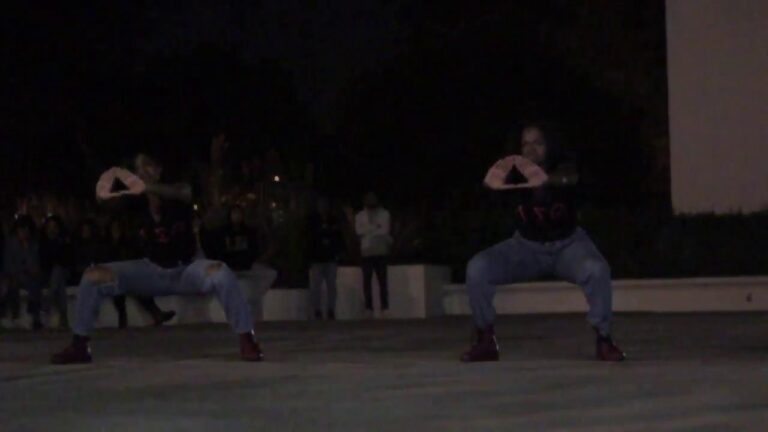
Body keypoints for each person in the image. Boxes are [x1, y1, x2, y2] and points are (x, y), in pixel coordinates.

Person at [51, 154, 263, 364]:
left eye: (148, 166)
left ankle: (247, 339)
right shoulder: (135, 202)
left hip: (186, 270)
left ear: (159, 170)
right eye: (138, 169)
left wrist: (146, 187)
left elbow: (185, 192)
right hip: (151, 270)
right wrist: (112, 179)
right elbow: (103, 199)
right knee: (93, 276)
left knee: (221, 272)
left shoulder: (176, 194)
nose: (142, 172)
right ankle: (80, 346)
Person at [460, 123, 626, 362]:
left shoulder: (562, 166)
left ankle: (604, 339)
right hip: (526, 248)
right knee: (478, 268)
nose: (531, 149)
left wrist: (546, 180)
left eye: (537, 143)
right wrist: (494, 181)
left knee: (597, 270)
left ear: (549, 145)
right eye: (525, 144)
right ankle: (485, 340)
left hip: (567, 246)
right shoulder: (513, 174)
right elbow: (490, 184)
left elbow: (573, 178)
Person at [201, 205, 277, 319]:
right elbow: (217, 249)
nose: (237, 216)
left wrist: (249, 261)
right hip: (229, 268)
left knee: (250, 295)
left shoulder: (249, 232)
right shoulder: (222, 232)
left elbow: (253, 249)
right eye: (234, 213)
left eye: (239, 213)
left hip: (246, 268)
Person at [105, 218, 176, 329]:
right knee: (118, 290)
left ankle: (156, 313)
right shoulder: (108, 244)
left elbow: (132, 258)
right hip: (115, 275)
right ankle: (124, 320)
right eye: (114, 229)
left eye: (118, 229)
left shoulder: (127, 242)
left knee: (139, 286)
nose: (116, 231)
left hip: (127, 273)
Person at [353, 192, 392, 318]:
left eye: (373, 198)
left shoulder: (385, 214)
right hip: (366, 253)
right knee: (367, 282)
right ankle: (368, 308)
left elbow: (384, 230)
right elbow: (358, 231)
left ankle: (385, 308)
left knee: (382, 281)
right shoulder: (360, 215)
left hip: (381, 251)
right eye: (368, 198)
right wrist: (375, 227)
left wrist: (368, 230)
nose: (370, 200)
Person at [2, 215, 44, 330]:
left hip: (28, 276)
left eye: (26, 230)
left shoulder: (33, 244)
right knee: (11, 285)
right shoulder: (10, 243)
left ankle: (34, 316)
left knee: (35, 284)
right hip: (13, 275)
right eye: (21, 229)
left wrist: (26, 249)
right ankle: (14, 315)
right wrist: (18, 272)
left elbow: (34, 265)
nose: (24, 233)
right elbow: (8, 264)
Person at [308, 196, 344, 320]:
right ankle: (317, 310)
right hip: (317, 258)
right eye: (320, 204)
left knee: (331, 286)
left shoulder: (333, 220)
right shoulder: (312, 220)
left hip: (331, 258)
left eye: (325, 204)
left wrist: (337, 253)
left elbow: (338, 237)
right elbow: (310, 238)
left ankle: (331, 310)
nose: (323, 207)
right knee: (316, 287)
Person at [39, 215, 73, 329]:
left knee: (57, 271)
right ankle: (64, 317)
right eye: (49, 227)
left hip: (63, 272)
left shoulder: (63, 242)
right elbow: (44, 262)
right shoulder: (43, 243)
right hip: (48, 275)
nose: (52, 230)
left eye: (54, 227)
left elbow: (66, 260)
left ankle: (46, 306)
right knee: (60, 285)